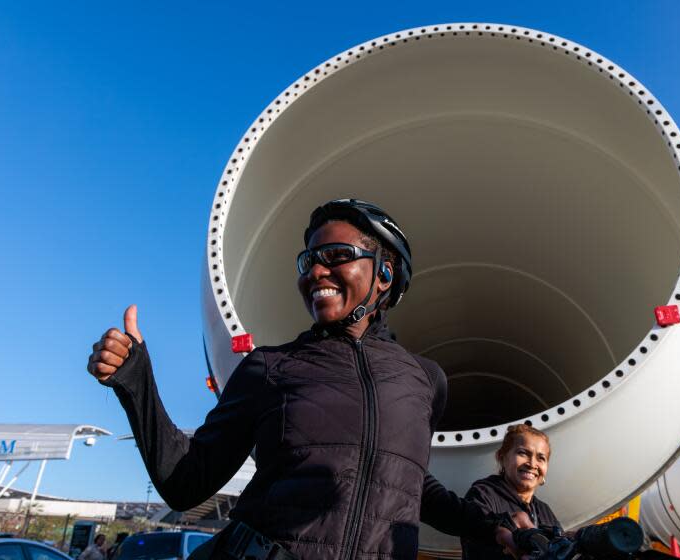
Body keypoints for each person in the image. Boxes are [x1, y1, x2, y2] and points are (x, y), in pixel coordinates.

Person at [87, 199, 521, 560]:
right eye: (309, 261)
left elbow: (406, 484)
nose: (315, 272)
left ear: (385, 273)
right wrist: (136, 380)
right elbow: (185, 483)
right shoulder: (268, 368)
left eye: (336, 257)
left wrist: (492, 527)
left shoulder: (426, 380)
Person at [461, 424, 561, 559]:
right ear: (502, 457)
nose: (532, 464)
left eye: (541, 458)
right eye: (523, 453)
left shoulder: (544, 511)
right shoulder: (482, 495)